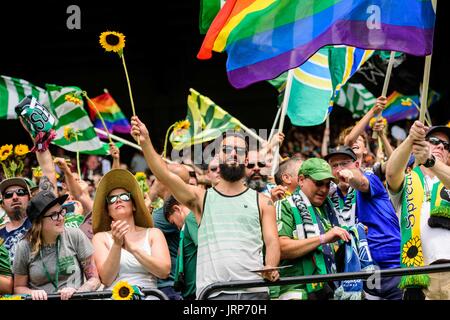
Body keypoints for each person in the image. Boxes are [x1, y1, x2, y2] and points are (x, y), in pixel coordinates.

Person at [131, 116, 280, 300]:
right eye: (227, 149)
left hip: (254, 292)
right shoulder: (200, 198)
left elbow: (272, 241)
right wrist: (145, 142)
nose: (233, 153)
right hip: (213, 294)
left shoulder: (264, 202)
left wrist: (270, 265)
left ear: (247, 158)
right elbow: (165, 175)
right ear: (218, 156)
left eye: (239, 150)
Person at [325, 146, 402, 300]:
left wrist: (351, 178)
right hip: (362, 272)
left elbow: (362, 183)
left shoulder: (371, 179)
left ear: (357, 165)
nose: (340, 169)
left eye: (345, 163)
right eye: (334, 165)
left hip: (392, 267)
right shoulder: (330, 198)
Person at [386, 122, 450, 300]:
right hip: (420, 276)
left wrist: (432, 161)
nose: (440, 146)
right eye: (435, 140)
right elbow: (391, 173)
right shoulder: (406, 180)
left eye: (446, 146)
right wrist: (410, 139)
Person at [276, 158, 350, 300]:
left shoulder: (329, 209)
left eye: (327, 184)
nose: (324, 189)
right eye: (318, 183)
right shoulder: (285, 205)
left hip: (329, 288)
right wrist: (323, 238)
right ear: (301, 180)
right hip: (298, 290)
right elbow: (280, 248)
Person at [92, 169, 171, 293]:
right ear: (108, 211)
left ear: (134, 206)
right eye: (111, 199)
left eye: (124, 196)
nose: (118, 200)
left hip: (149, 296)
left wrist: (132, 248)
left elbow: (164, 272)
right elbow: (106, 279)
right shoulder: (100, 238)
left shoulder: (153, 233)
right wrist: (117, 245)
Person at [13, 191, 100, 300]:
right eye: (54, 215)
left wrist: (78, 292)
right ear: (38, 222)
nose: (61, 218)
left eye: (61, 212)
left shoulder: (74, 235)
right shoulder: (24, 246)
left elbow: (94, 279)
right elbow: (18, 287)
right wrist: (32, 293)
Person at [163, 196, 198, 300]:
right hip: (191, 291)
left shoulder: (190, 219)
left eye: (173, 222)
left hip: (198, 291)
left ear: (176, 209)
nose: (177, 227)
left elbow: (204, 248)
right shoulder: (187, 224)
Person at [0, 178, 32, 262]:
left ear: (29, 198)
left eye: (20, 192)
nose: (15, 197)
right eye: (8, 195)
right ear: (2, 204)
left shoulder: (40, 221)